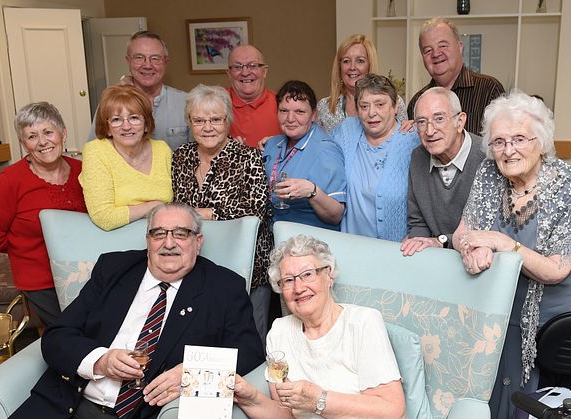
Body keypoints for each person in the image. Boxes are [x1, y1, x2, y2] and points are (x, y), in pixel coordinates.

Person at [11, 203, 265, 419]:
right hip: (66, 404)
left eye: (181, 233)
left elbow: (249, 352)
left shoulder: (223, 287)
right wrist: (100, 361)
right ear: (148, 240)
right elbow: (58, 335)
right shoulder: (113, 268)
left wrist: (192, 375)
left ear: (198, 241)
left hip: (144, 412)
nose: (169, 243)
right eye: (158, 234)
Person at [453, 92, 571, 418]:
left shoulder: (570, 187)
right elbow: (464, 231)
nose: (508, 149)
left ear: (541, 141)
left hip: (555, 318)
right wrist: (469, 248)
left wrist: (501, 242)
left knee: (547, 404)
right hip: (500, 311)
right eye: (499, 141)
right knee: (498, 393)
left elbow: (557, 270)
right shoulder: (488, 174)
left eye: (519, 139)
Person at [234, 235, 406, 419]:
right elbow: (286, 414)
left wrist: (318, 400)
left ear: (329, 275)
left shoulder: (362, 322)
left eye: (307, 274)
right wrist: (251, 399)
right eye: (289, 280)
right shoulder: (279, 331)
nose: (299, 288)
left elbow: (394, 410)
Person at [172, 83, 273, 345]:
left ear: (228, 121)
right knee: (204, 341)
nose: (208, 127)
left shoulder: (248, 157)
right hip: (195, 267)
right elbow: (173, 206)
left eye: (215, 120)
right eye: (199, 120)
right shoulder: (180, 157)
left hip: (246, 268)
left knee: (248, 343)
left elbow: (256, 208)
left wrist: (204, 213)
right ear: (189, 122)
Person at [0, 102, 87, 328]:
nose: (42, 142)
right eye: (32, 136)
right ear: (24, 143)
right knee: (71, 334)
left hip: (87, 272)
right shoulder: (10, 181)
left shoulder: (84, 171)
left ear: (63, 133)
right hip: (40, 280)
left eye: (48, 132)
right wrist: (27, 249)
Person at [332, 73, 420, 241]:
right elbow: (318, 145)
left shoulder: (413, 138)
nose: (371, 113)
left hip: (398, 251)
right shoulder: (347, 131)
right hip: (351, 248)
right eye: (364, 106)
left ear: (395, 107)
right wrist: (279, 140)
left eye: (380, 104)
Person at [400, 87, 485, 256]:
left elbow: (488, 231)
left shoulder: (487, 157)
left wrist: (441, 242)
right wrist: (417, 246)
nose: (429, 131)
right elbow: (418, 223)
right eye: (422, 122)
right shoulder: (418, 157)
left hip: (479, 260)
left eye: (439, 119)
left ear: (460, 122)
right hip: (437, 259)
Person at [80, 85, 173, 231]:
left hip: (164, 238)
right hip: (119, 244)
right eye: (117, 120)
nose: (126, 126)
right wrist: (155, 205)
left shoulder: (162, 150)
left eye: (134, 118)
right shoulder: (96, 151)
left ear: (146, 124)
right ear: (108, 127)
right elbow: (104, 217)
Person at [263, 80, 346, 231]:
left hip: (309, 244)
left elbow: (336, 215)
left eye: (299, 112)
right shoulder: (271, 145)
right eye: (283, 111)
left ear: (314, 115)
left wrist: (312, 191)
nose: (290, 118)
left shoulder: (326, 151)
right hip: (273, 237)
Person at [88, 31, 190, 150]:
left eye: (155, 58)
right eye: (139, 57)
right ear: (128, 61)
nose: (147, 65)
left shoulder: (186, 103)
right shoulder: (110, 103)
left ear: (166, 62)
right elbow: (94, 148)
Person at [406, 18, 505, 135]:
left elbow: (502, 141)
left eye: (443, 46)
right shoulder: (417, 101)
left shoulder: (489, 89)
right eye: (428, 50)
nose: (436, 54)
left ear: (460, 47)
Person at [316, 34, 408, 133]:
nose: (352, 67)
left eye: (360, 61)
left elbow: (404, 139)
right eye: (346, 61)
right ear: (339, 67)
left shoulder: (393, 102)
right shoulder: (325, 107)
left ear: (370, 65)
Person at [226, 45, 280, 147]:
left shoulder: (282, 104)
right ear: (229, 74)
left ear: (264, 71)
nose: (245, 73)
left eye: (252, 65)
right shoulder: (215, 102)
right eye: (237, 67)